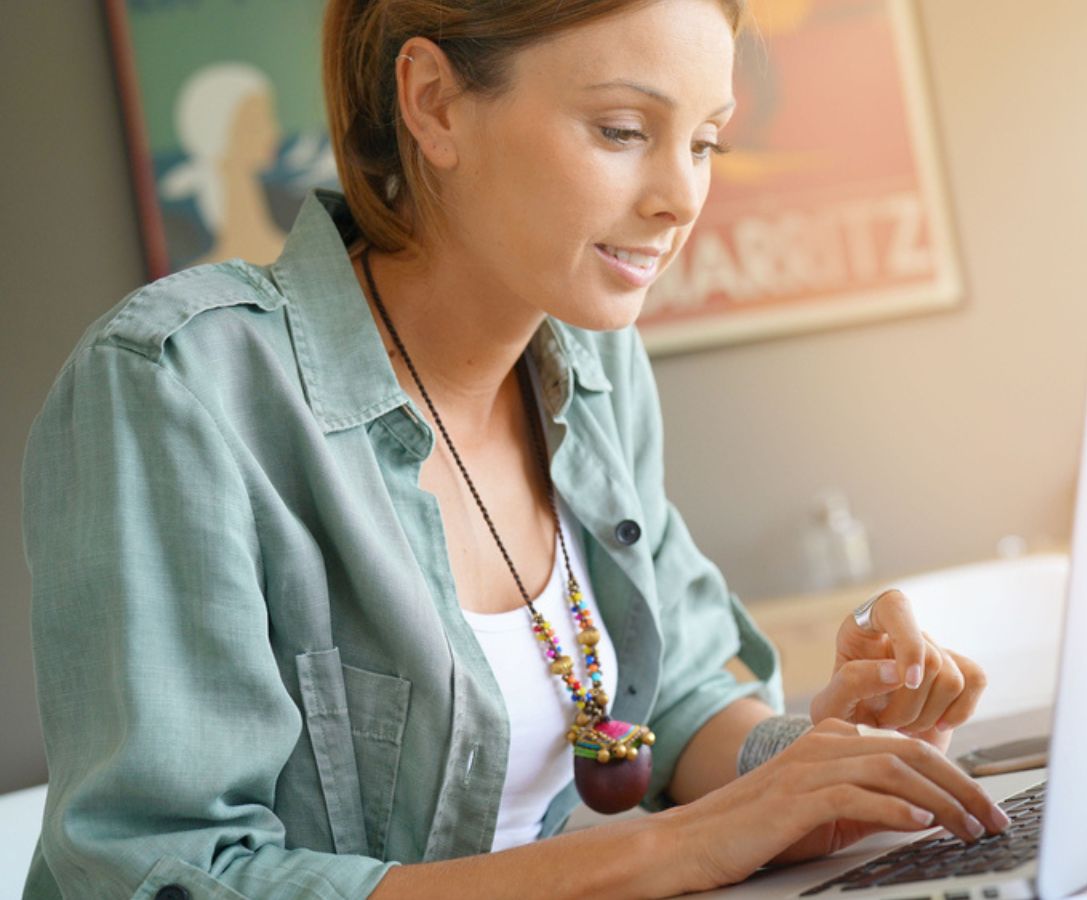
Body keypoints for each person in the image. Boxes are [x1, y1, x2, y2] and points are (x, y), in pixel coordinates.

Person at [21, 1, 1008, 897]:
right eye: (623, 130)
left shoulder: (595, 363)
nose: (680, 196)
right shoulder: (180, 386)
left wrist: (819, 767)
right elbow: (162, 873)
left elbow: (676, 696)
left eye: (705, 142)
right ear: (434, 103)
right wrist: (667, 850)